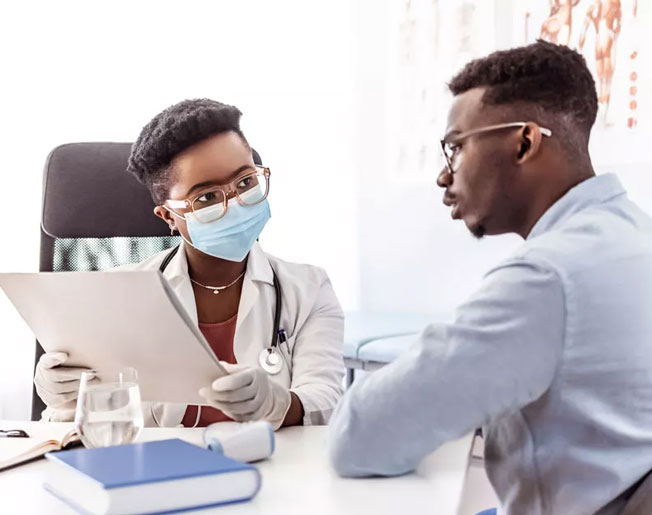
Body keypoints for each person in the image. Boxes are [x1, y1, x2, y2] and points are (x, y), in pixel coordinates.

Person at [329, 41, 652, 514]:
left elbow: (358, 437)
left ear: (524, 141)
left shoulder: (544, 279)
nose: (444, 175)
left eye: (456, 147)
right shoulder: (634, 234)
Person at [34, 99, 345, 429]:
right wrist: (62, 397)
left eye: (245, 182)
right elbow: (80, 426)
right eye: (207, 197)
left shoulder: (308, 290)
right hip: (154, 474)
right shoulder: (116, 298)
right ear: (168, 216)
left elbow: (327, 402)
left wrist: (278, 404)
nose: (236, 203)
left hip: (274, 471)